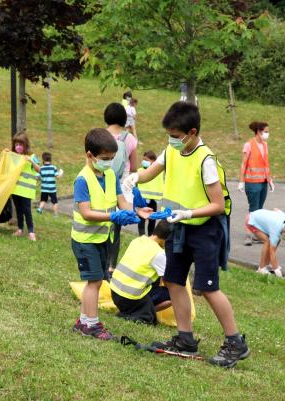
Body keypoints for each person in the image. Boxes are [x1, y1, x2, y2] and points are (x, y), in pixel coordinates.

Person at [124, 101, 249, 368]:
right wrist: (134, 177)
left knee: (207, 288)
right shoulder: (171, 149)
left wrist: (189, 213)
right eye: (169, 134)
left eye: (176, 136)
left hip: (205, 230)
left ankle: (235, 342)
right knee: (173, 280)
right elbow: (150, 172)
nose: (171, 139)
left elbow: (217, 204)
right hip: (180, 228)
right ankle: (185, 338)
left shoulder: (206, 160)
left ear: (192, 133)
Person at [71, 128, 151, 340]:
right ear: (90, 155)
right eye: (105, 159)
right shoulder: (82, 180)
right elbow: (86, 212)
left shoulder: (109, 175)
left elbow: (121, 201)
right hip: (85, 240)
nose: (109, 162)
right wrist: (113, 218)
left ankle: (84, 321)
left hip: (102, 238)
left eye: (112, 159)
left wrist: (136, 211)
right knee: (94, 281)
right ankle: (92, 324)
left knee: (97, 280)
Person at [110, 220, 173, 325]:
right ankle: (139, 313)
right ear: (169, 239)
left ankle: (137, 310)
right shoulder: (159, 254)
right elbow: (169, 283)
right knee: (171, 295)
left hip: (115, 292)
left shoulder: (139, 240)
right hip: (129, 297)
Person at [104, 102, 139, 276]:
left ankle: (100, 260)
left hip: (101, 183)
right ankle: (112, 265)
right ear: (124, 119)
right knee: (116, 226)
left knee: (102, 221)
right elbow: (134, 166)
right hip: (121, 185)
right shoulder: (130, 139)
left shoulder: (99, 135)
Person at [238, 121, 274, 246]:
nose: (267, 134)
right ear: (259, 132)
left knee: (259, 210)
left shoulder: (265, 145)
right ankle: (248, 235)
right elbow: (244, 164)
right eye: (266, 131)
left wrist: (269, 180)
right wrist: (241, 181)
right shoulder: (248, 145)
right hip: (252, 182)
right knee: (253, 209)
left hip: (263, 182)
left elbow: (266, 164)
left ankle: (256, 234)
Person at [245, 209, 285, 277]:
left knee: (276, 241)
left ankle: (266, 264)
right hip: (251, 221)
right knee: (267, 242)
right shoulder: (276, 231)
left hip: (257, 214)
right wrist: (277, 271)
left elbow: (275, 209)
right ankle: (261, 269)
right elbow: (272, 252)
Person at [11, 131, 41, 241]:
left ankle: (31, 232)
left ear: (25, 145)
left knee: (27, 210)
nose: (18, 147)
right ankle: (20, 229)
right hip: (15, 189)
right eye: (16, 144)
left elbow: (39, 170)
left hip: (26, 190)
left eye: (21, 144)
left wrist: (31, 161)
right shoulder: (13, 156)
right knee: (18, 209)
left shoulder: (32, 156)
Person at [136, 150, 163, 236]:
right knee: (141, 220)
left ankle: (151, 236)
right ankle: (142, 237)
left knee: (152, 220)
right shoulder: (139, 170)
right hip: (142, 200)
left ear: (153, 161)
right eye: (143, 159)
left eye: (147, 160)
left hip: (152, 201)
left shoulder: (159, 173)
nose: (144, 162)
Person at [36, 152, 60, 216]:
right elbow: (57, 177)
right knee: (54, 202)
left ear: (43, 159)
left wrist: (41, 178)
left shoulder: (41, 168)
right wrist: (61, 173)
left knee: (43, 200)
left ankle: (40, 209)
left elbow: (37, 177)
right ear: (50, 159)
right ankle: (55, 214)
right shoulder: (53, 168)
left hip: (44, 189)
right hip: (52, 189)